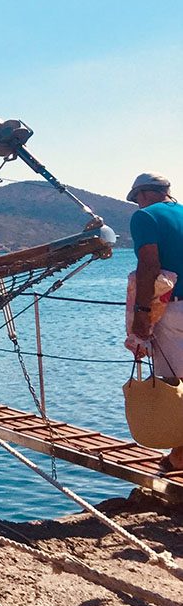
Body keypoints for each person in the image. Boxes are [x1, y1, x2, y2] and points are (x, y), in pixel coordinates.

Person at [127, 171, 183, 472]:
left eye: (136, 199)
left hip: (173, 310)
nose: (137, 204)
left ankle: (177, 458)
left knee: (173, 383)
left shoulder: (145, 217)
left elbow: (149, 264)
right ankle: (176, 455)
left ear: (143, 194)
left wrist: (142, 314)